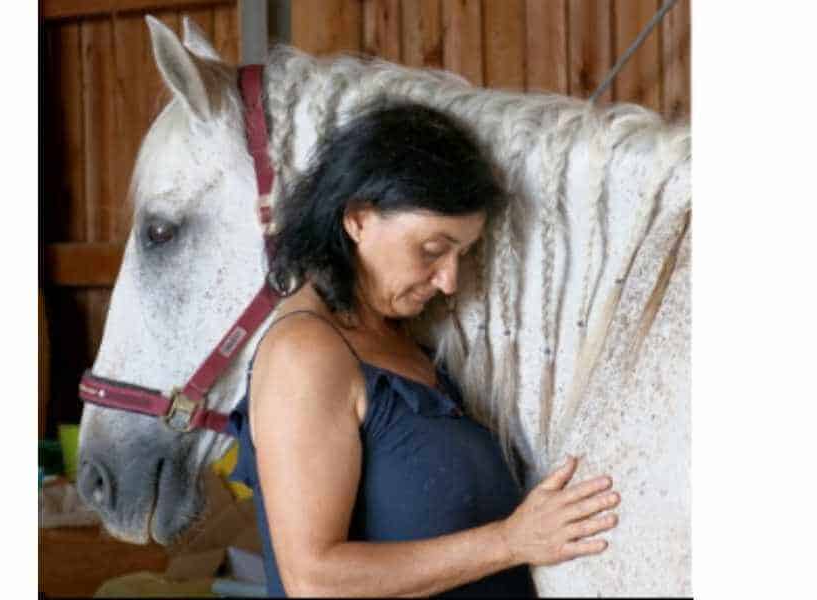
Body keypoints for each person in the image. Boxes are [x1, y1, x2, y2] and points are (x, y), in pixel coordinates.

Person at [228, 102, 621, 597]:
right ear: (358, 219)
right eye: (432, 250)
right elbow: (314, 580)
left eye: (463, 254)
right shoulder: (304, 354)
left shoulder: (397, 340)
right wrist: (512, 541)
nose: (450, 280)